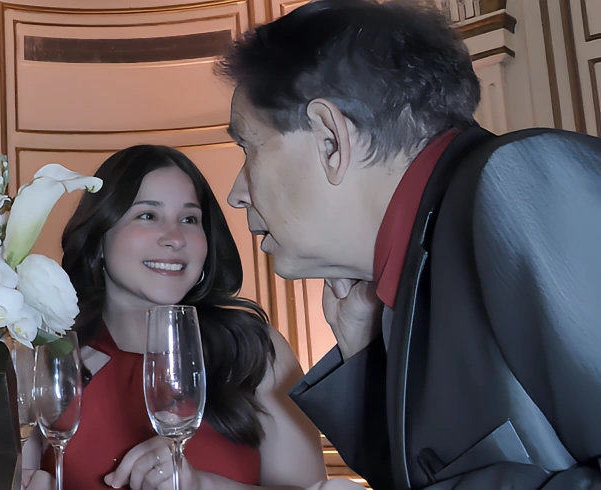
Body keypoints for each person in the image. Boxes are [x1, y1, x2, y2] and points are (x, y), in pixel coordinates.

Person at [218, 1, 601, 489]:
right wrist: (364, 353)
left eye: (248, 146)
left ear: (331, 140)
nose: (236, 193)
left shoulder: (523, 183)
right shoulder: (412, 279)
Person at [23, 145, 327, 490]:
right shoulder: (48, 356)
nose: (174, 238)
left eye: (189, 219)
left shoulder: (254, 351)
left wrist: (203, 485)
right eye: (148, 216)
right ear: (99, 238)